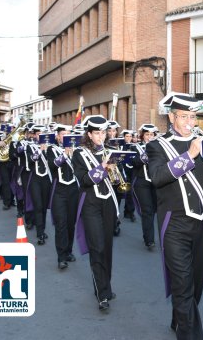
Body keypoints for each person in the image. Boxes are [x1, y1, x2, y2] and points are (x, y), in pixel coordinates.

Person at [146, 92, 203, 339]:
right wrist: (190, 155)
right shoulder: (156, 145)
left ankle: (179, 319)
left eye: (193, 117)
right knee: (183, 287)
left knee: (194, 287)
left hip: (201, 224)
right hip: (173, 224)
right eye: (184, 116)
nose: (189, 122)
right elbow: (158, 177)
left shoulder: (202, 140)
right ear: (172, 117)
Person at [72, 115, 118, 311]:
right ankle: (101, 293)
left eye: (103, 132)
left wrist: (116, 172)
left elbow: (115, 180)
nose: (101, 136)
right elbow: (84, 180)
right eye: (96, 133)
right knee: (97, 247)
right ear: (89, 134)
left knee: (107, 247)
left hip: (107, 204)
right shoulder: (79, 154)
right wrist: (102, 168)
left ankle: (105, 286)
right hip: (90, 205)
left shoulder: (109, 151)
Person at [47, 124, 79, 270]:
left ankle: (68, 251)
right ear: (58, 136)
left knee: (71, 223)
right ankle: (61, 257)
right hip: (59, 190)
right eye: (63, 134)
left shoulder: (77, 151)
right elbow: (53, 165)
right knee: (61, 224)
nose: (65, 136)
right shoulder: (51, 149)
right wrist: (65, 154)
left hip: (73, 189)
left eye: (68, 134)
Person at [131, 124, 159, 250]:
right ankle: (149, 240)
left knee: (154, 210)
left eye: (152, 134)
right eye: (147, 134)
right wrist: (145, 155)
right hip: (141, 182)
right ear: (142, 136)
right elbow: (133, 163)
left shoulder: (159, 148)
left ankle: (148, 235)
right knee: (147, 211)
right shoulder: (135, 147)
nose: (149, 137)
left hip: (156, 182)